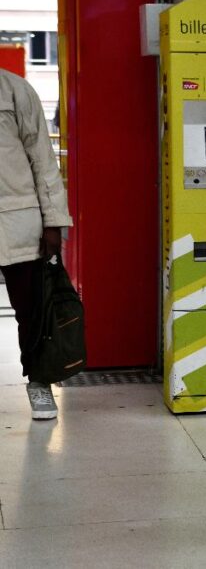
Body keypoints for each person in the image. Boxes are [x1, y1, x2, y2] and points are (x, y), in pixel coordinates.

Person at [0, 68, 73, 420]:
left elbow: (43, 159)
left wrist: (53, 221)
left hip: (19, 218)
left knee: (32, 311)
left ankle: (39, 383)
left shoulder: (14, 90)